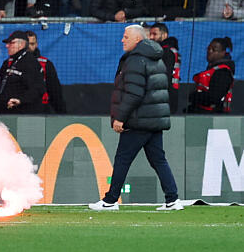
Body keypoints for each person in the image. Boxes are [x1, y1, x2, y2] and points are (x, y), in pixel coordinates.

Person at [89, 25, 182, 212]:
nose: (122, 40)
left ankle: (110, 200)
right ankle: (173, 199)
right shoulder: (156, 58)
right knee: (158, 159)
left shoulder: (135, 60)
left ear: (138, 40)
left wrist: (120, 118)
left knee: (123, 158)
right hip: (154, 119)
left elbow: (134, 94)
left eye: (125, 37)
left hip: (139, 120)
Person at [0, 30, 47, 115]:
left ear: (21, 44)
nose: (7, 46)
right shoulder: (8, 62)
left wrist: (21, 100)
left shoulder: (31, 63)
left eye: (11, 43)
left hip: (22, 115)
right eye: (7, 43)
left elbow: (38, 88)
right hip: (4, 112)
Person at [187, 38, 235, 114]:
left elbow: (214, 97)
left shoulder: (223, 72)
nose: (210, 51)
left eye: (214, 50)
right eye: (208, 49)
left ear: (223, 52)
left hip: (214, 113)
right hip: (201, 111)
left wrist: (194, 96)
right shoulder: (212, 69)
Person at [27, 31, 66, 114]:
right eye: (27, 44)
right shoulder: (12, 62)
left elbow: (55, 91)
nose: (29, 47)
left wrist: (63, 115)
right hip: (19, 108)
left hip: (41, 109)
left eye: (32, 44)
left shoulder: (45, 64)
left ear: (36, 44)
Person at [148, 23, 181, 114]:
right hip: (171, 93)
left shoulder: (165, 51)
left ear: (164, 35)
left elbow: (165, 74)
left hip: (163, 96)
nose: (151, 37)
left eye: (155, 34)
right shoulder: (173, 50)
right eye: (150, 34)